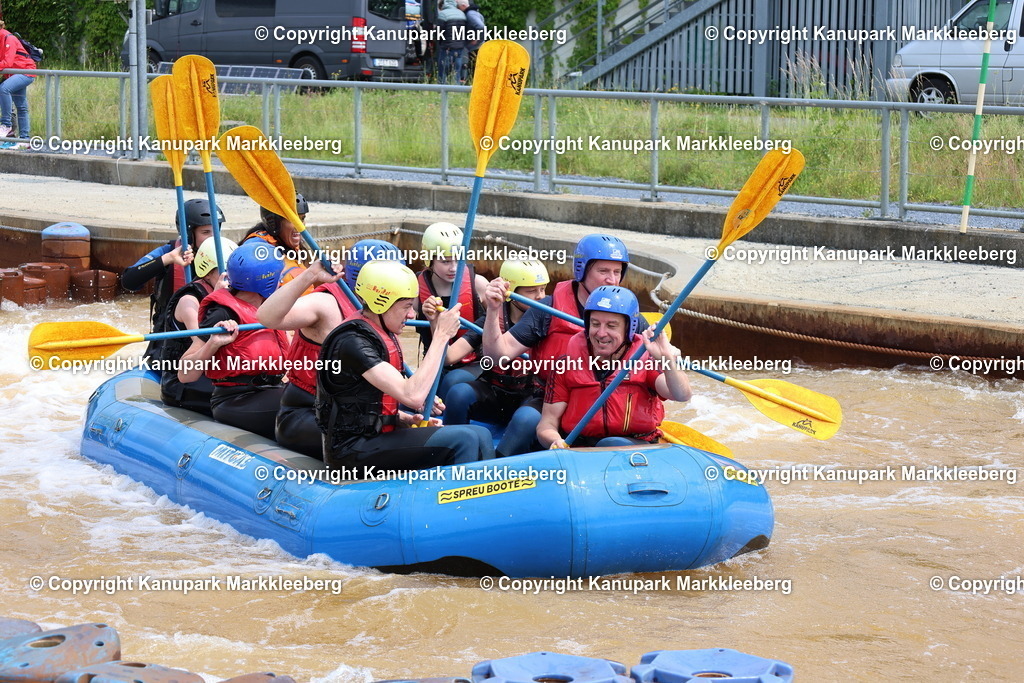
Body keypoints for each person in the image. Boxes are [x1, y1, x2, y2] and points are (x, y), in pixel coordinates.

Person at [316, 260, 495, 471]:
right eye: (407, 307)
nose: (411, 315)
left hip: (373, 436)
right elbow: (413, 396)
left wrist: (403, 419)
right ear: (382, 304)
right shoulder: (353, 342)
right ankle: (455, 502)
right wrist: (441, 336)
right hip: (350, 451)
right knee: (464, 439)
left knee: (481, 434)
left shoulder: (377, 331)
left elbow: (365, 403)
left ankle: (487, 498)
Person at [481, 234, 646, 455]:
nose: (612, 280)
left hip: (608, 403)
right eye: (603, 271)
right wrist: (493, 310)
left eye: (617, 272)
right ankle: (495, 471)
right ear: (581, 271)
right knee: (526, 419)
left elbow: (662, 376)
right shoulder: (548, 309)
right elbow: (496, 356)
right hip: (553, 397)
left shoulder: (629, 315)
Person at [258, 239, 402, 458]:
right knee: (379, 441)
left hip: (356, 413)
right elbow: (266, 317)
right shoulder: (325, 304)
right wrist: (310, 275)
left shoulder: (388, 311)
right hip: (308, 412)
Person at [537, 286, 691, 449]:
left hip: (635, 446)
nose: (601, 333)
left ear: (628, 328)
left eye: (611, 326)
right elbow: (546, 425)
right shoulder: (566, 363)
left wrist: (667, 360)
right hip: (580, 448)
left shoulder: (646, 359)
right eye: (595, 324)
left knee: (610, 443)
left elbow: (681, 395)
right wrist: (555, 440)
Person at [178, 241, 288, 440]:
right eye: (279, 277)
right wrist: (213, 343)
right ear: (266, 281)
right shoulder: (222, 312)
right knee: (302, 405)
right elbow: (185, 375)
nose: (282, 282)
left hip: (270, 389)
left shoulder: (270, 307)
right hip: (235, 400)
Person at [441, 260, 549, 457]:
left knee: (525, 419)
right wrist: (436, 324)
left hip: (531, 396)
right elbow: (448, 357)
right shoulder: (492, 319)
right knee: (458, 393)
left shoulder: (550, 318)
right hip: (497, 394)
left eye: (543, 289)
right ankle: (449, 454)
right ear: (510, 292)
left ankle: (498, 466)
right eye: (531, 291)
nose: (540, 297)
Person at [122, 199, 223, 356]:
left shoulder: (224, 253)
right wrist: (167, 259)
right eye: (205, 232)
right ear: (189, 234)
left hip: (210, 332)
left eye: (216, 231)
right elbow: (129, 280)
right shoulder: (168, 251)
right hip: (170, 339)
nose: (213, 237)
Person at [159, 237, 237, 416]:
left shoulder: (233, 294)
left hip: (210, 373)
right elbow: (203, 340)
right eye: (225, 271)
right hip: (181, 383)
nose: (231, 278)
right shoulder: (189, 301)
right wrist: (218, 300)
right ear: (207, 272)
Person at [415, 222, 488, 394]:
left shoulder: (479, 285)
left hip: (476, 362)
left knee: (449, 381)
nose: (453, 268)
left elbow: (503, 322)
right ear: (429, 259)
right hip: (434, 360)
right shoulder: (414, 290)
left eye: (458, 259)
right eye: (446, 261)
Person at [242, 193, 310, 291]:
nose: (300, 226)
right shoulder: (256, 249)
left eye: (302, 219)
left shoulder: (289, 242)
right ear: (274, 222)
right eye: (293, 220)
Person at [0, 20, 36, 142]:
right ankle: (25, 140)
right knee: (21, 107)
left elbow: (7, 63)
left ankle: (6, 125)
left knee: (4, 89)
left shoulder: (8, 38)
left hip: (26, 71)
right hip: (14, 74)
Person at [435, 0, 467, 84]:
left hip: (447, 46)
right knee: (457, 69)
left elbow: (439, 32)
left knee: (443, 69)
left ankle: (441, 88)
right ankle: (456, 88)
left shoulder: (443, 14)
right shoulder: (461, 14)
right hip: (459, 47)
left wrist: (439, 42)